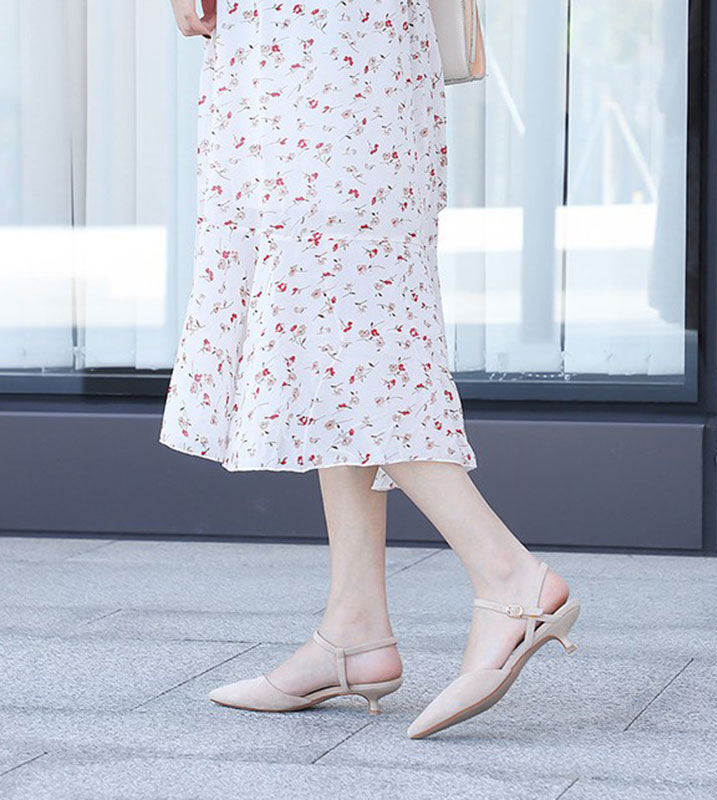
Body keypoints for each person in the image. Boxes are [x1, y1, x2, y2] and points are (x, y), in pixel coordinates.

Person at [164, 0, 579, 739]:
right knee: (341, 317)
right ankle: (354, 628)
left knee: (336, 313)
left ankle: (509, 576)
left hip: (322, 39)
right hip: (307, 42)